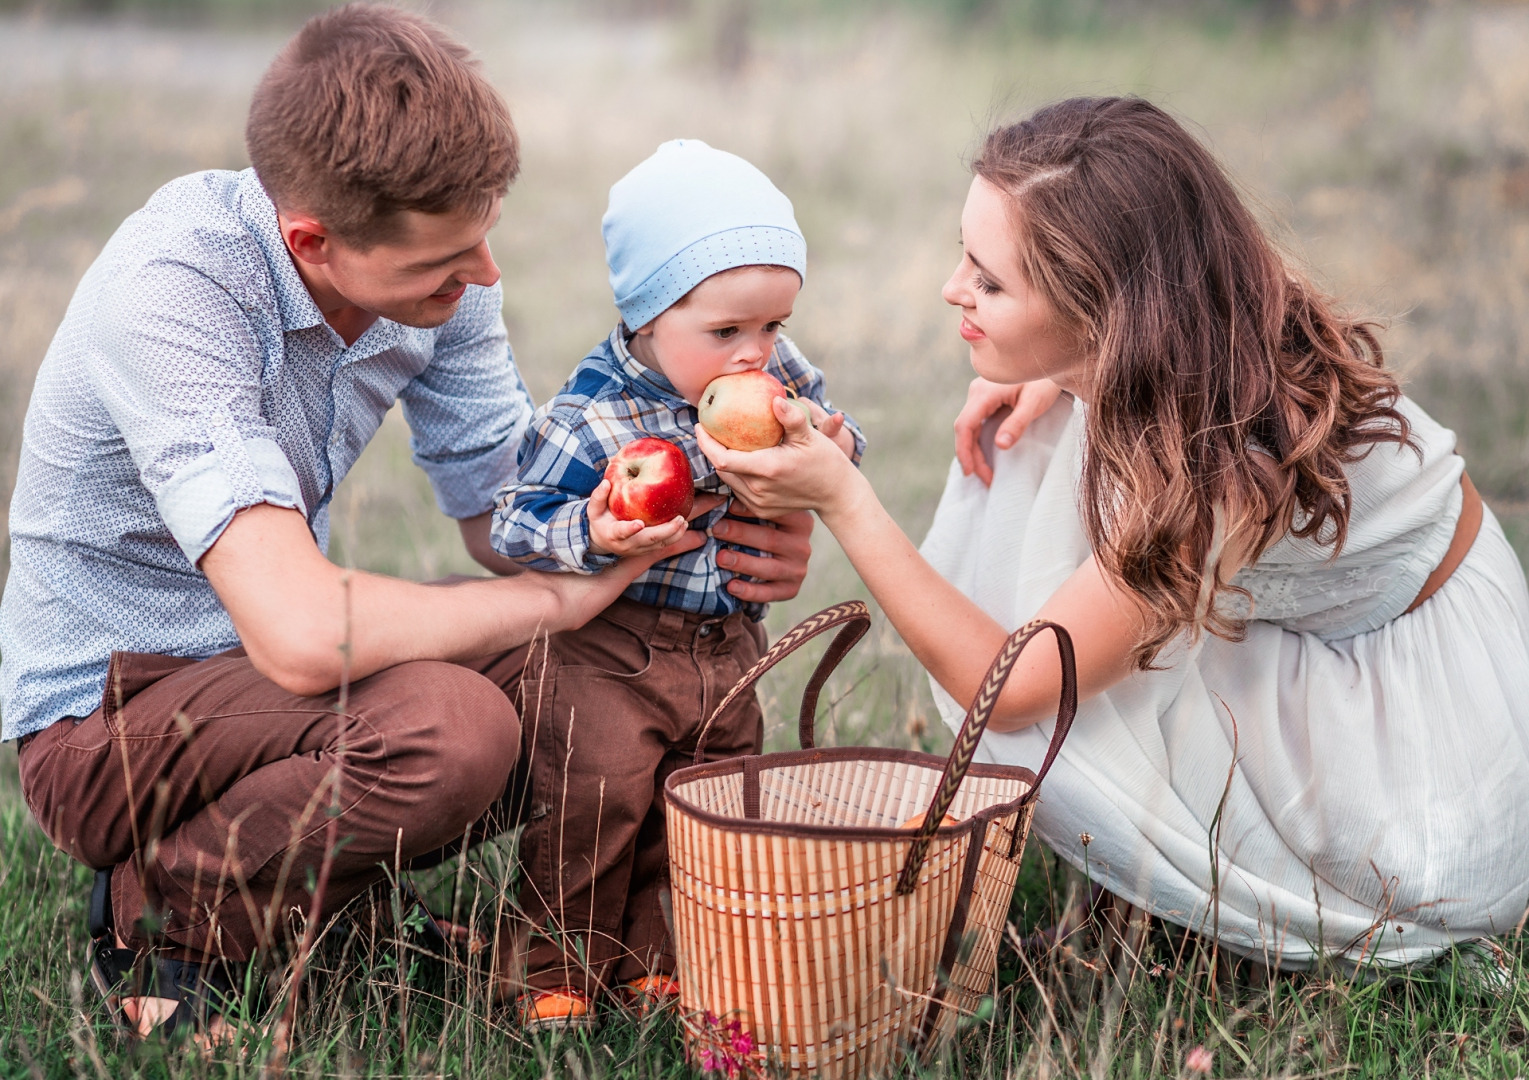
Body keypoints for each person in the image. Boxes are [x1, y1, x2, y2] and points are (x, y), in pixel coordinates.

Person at [0, 5, 813, 1041]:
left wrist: (690, 526)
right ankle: (165, 905)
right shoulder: (172, 294)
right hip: (111, 716)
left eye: (484, 235)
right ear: (313, 243)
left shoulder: (441, 277)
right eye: (447, 258)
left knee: (609, 675)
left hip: (268, 697)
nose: (485, 276)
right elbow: (300, 634)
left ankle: (351, 909)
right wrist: (549, 597)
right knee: (455, 727)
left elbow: (500, 518)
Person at [696, 96, 1529, 974]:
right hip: (1340, 632)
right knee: (1042, 453)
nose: (954, 291)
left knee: (1053, 720)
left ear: (1102, 311)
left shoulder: (1214, 466)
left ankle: (1199, 899)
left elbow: (1011, 693)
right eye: (962, 258)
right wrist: (1061, 374)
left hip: (1425, 750)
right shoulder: (1194, 336)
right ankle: (1151, 886)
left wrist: (846, 501)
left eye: (990, 281)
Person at [491, 139, 864, 1027]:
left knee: (701, 803)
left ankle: (657, 963)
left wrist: (834, 448)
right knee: (596, 800)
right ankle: (556, 972)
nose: (756, 356)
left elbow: (835, 432)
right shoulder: (593, 412)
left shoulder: (771, 379)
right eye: (727, 331)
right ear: (648, 317)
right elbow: (516, 519)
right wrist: (593, 527)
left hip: (726, 643)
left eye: (772, 326)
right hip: (612, 647)